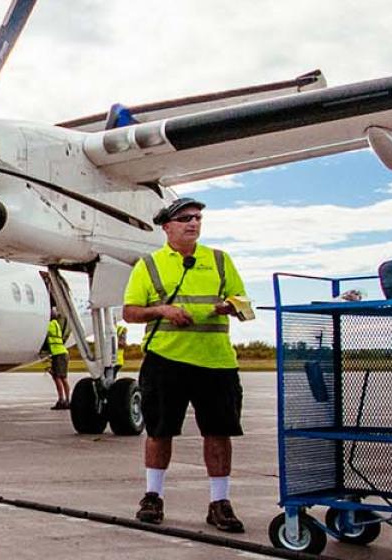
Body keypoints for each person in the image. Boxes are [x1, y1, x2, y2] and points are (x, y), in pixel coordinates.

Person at [124, 197, 248, 533]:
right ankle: (152, 496)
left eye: (196, 218)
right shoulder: (148, 265)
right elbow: (130, 312)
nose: (193, 224)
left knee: (219, 433)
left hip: (216, 361)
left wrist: (231, 307)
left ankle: (219, 502)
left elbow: (246, 305)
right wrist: (161, 311)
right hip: (166, 360)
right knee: (159, 431)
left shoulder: (220, 261)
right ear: (166, 227)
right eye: (184, 219)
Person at [46, 314, 71, 409]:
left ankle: (61, 400)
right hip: (62, 352)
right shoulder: (56, 324)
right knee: (63, 378)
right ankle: (67, 400)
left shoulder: (49, 325)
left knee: (57, 378)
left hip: (58, 354)